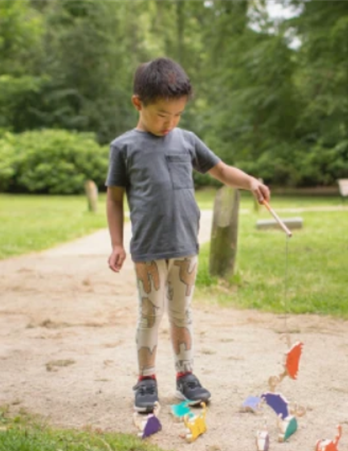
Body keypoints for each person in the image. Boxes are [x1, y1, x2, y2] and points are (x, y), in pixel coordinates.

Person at [106, 57, 270, 412]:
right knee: (151, 313)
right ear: (138, 103)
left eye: (178, 115)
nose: (171, 123)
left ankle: (186, 376)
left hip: (185, 247)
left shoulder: (187, 141)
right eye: (162, 114)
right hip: (148, 250)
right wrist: (117, 243)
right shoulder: (124, 148)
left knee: (182, 313)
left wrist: (251, 182)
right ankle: (146, 379)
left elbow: (223, 171)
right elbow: (115, 199)